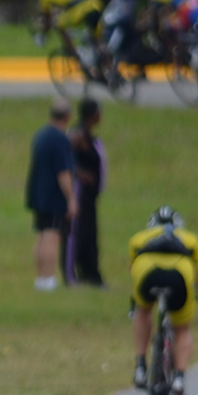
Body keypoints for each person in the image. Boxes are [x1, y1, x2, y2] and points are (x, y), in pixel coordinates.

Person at [130, 206, 198, 395]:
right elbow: (197, 282)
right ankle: (179, 378)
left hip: (147, 272)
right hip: (180, 275)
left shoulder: (139, 238)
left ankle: (141, 367)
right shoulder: (190, 239)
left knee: (142, 310)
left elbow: (132, 271)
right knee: (181, 329)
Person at [26, 98, 78, 292]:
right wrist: (71, 198)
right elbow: (63, 172)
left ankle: (40, 277)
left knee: (41, 234)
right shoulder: (60, 139)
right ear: (68, 116)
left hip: (38, 192)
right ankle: (48, 278)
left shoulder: (41, 135)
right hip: (53, 195)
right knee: (52, 235)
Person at [66, 99, 107, 287]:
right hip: (82, 193)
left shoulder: (88, 135)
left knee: (90, 234)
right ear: (93, 114)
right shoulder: (78, 134)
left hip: (91, 195)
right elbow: (64, 155)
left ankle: (91, 273)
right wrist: (78, 172)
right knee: (81, 233)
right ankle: (80, 273)